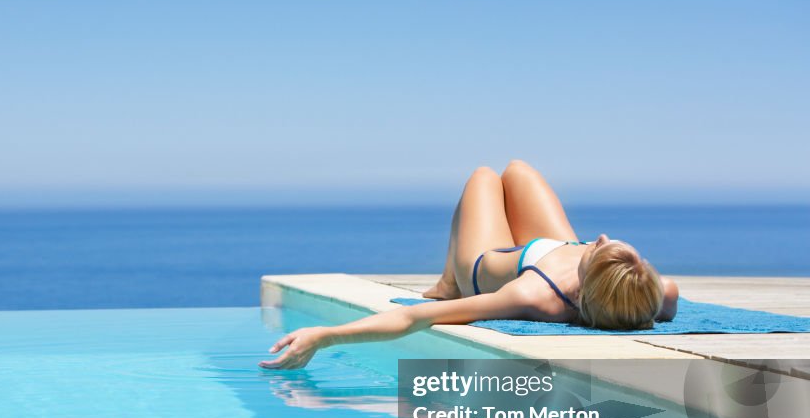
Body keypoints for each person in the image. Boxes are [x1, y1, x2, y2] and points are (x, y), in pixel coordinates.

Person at [260, 160, 679, 370]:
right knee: (516, 169)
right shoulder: (656, 292)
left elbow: (417, 318)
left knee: (484, 177)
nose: (601, 238)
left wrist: (326, 335)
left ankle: (448, 280)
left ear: (586, 283)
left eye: (597, 249)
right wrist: (584, 253)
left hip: (485, 263)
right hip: (551, 248)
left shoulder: (532, 296)